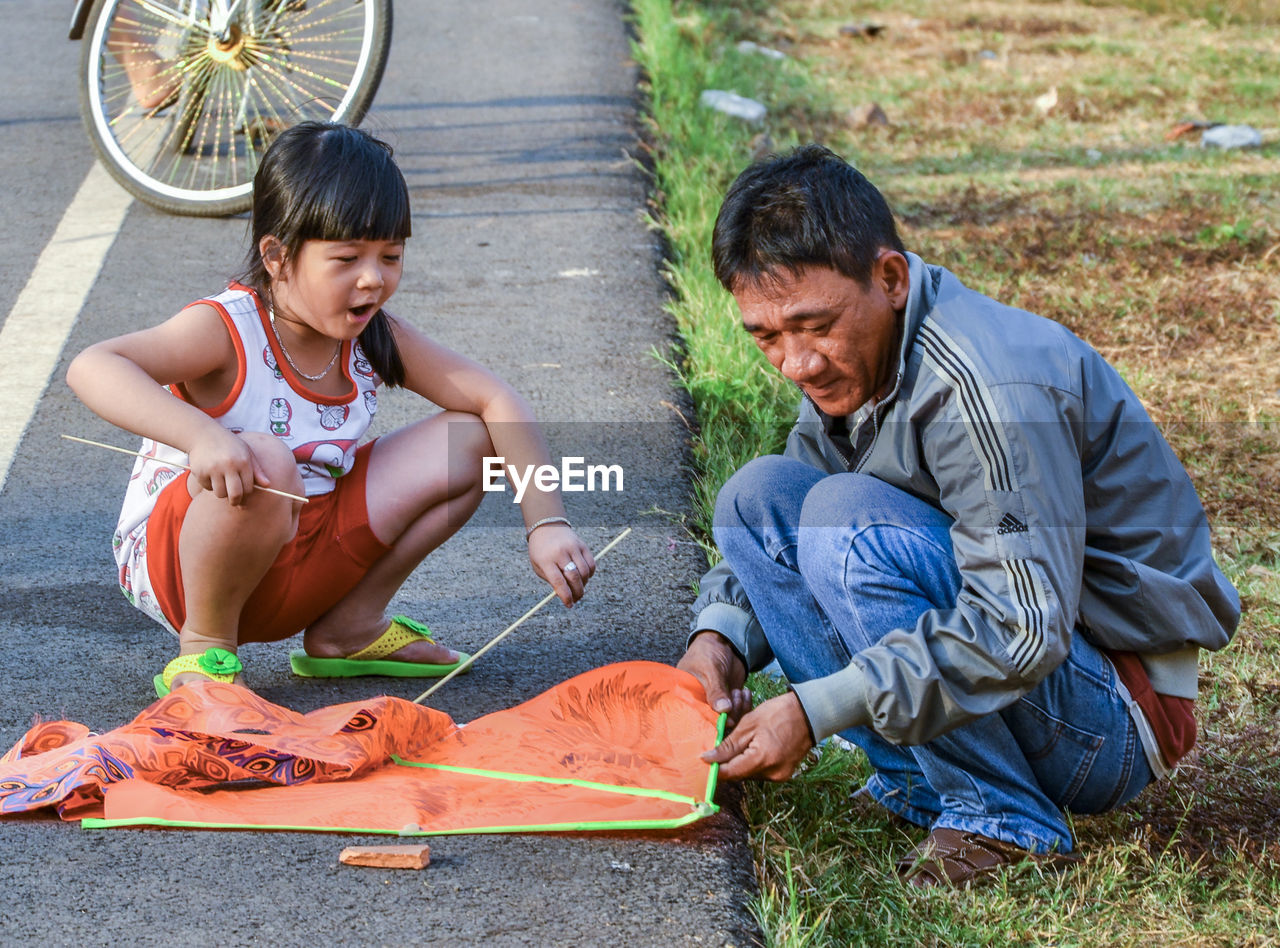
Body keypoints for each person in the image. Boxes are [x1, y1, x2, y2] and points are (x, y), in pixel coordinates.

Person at [676, 145, 1240, 888]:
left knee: (847, 524)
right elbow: (787, 508)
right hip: (1047, 673)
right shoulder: (861, 364)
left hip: (1114, 708)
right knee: (756, 499)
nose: (797, 364)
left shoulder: (988, 393)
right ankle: (921, 784)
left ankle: (1003, 817)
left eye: (814, 326)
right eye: (767, 336)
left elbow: (1022, 626)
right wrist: (720, 637)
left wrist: (816, 712)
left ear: (891, 278)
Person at [68, 121, 595, 697]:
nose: (373, 279)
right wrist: (201, 436)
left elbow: (497, 399)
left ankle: (348, 627)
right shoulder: (227, 329)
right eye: (346, 259)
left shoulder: (371, 335)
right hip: (188, 567)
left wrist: (547, 523)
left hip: (302, 557)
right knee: (265, 459)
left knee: (469, 441)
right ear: (277, 257)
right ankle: (205, 655)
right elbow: (94, 365)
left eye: (390, 256)